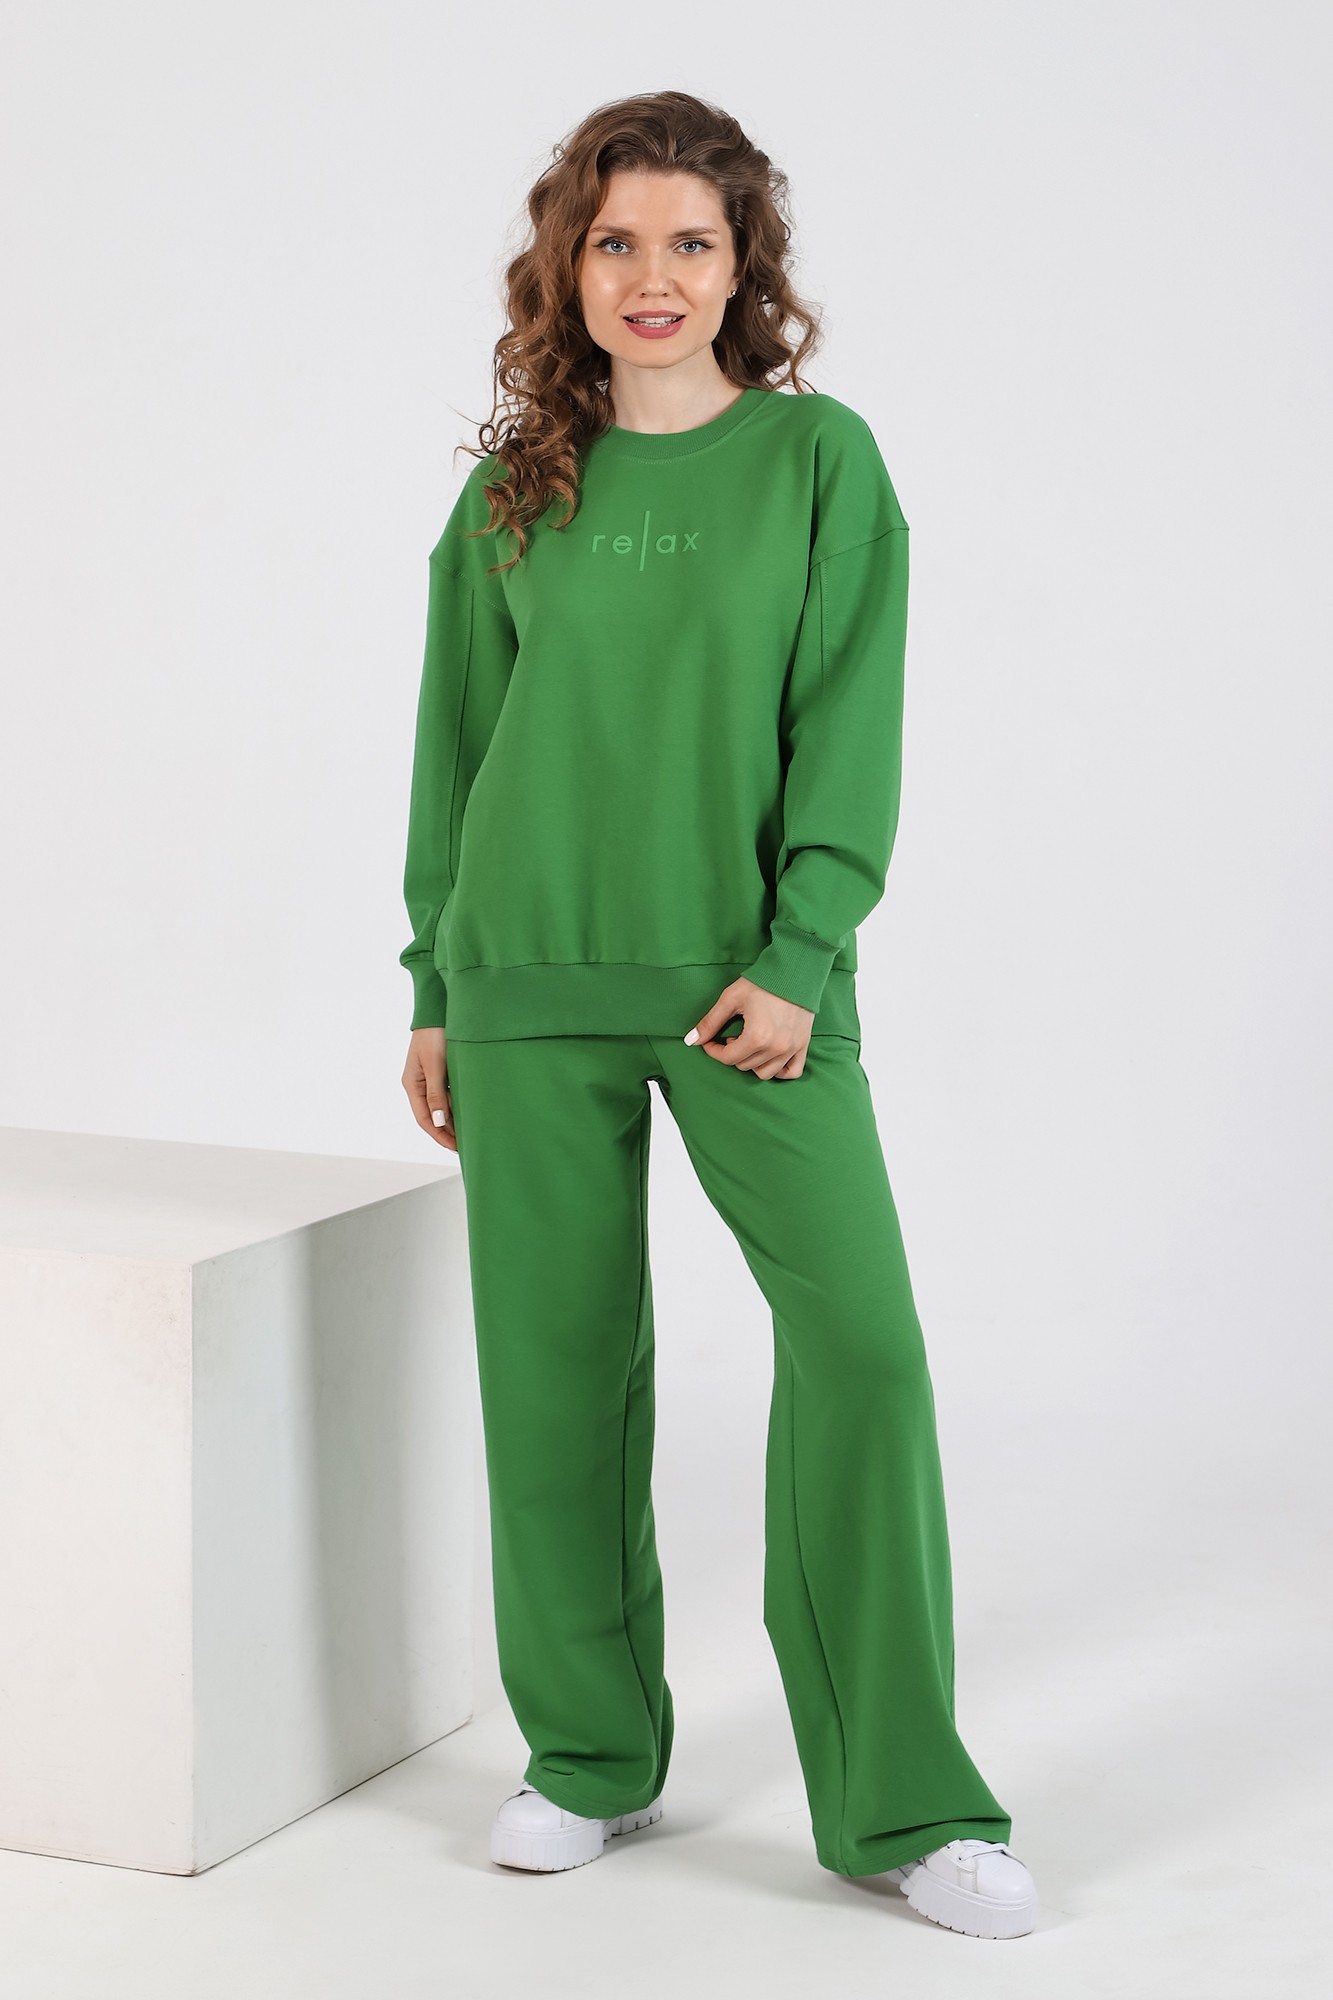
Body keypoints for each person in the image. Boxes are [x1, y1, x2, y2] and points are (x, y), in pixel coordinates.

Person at [398, 90, 1039, 1941]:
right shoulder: (511, 492)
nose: (652, 276)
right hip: (522, 986)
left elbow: (848, 714)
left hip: (751, 989)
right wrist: (436, 983)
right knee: (555, 1379)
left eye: (690, 240)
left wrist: (804, 947)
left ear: (745, 261)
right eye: (615, 242)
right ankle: (588, 1758)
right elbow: (455, 750)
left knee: (864, 1357)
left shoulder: (818, 459)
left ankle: (904, 1802)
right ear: (566, 266)